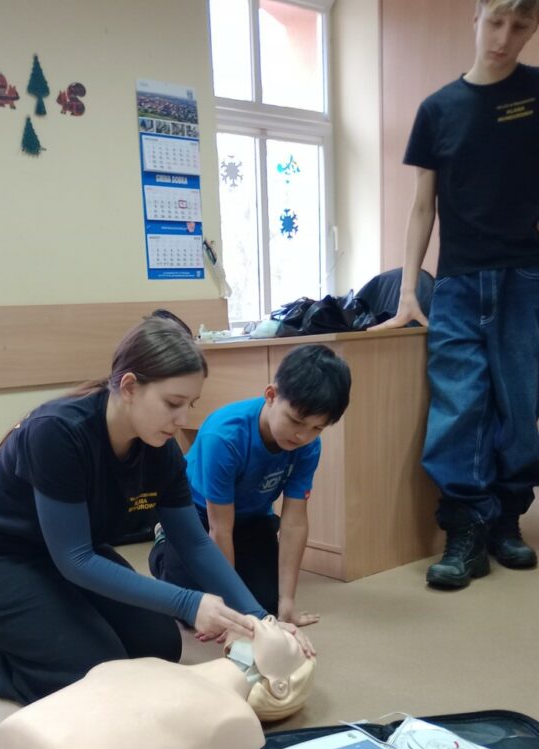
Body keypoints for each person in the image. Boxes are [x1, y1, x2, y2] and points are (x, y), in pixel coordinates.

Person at [0, 311, 312, 705]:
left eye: (190, 404)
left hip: (64, 556)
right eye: (173, 403)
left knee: (159, 644)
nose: (182, 419)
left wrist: (259, 618)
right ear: (130, 386)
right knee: (92, 672)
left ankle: (39, 623)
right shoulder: (58, 432)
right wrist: (189, 603)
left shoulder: (159, 447)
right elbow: (75, 559)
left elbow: (193, 542)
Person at [380, 0, 539, 588]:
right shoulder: (437, 109)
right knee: (458, 405)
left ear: (533, 27)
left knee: (520, 406)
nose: (504, 36)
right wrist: (408, 291)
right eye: (495, 21)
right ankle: (465, 531)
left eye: (520, 25)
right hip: (457, 283)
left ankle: (507, 520)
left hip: (525, 279)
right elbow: (422, 206)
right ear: (476, 17)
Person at [149, 344, 351, 625]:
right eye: (296, 421)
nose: (302, 436)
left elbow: (294, 522)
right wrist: (232, 613)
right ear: (271, 395)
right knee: (192, 608)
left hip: (252, 516)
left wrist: (287, 603)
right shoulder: (224, 436)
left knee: (265, 606)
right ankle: (163, 543)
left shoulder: (308, 446)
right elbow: (220, 528)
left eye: (317, 428)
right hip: (198, 514)